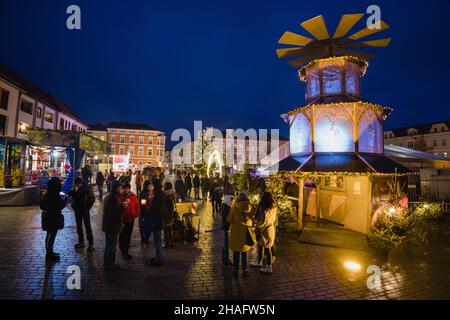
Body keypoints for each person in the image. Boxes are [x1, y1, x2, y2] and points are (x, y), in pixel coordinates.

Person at [227, 192, 254, 278]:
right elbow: (253, 219)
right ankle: (245, 270)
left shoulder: (235, 208)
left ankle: (235, 270)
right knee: (244, 253)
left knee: (236, 253)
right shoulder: (251, 207)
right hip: (246, 233)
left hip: (236, 234)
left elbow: (229, 219)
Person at [40, 177, 67, 262]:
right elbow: (60, 206)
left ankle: (49, 252)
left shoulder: (46, 195)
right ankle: (49, 255)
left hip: (47, 218)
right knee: (51, 236)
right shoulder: (55, 196)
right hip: (54, 218)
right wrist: (65, 199)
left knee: (48, 235)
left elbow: (41, 206)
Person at [251, 192, 278, 274]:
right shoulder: (274, 207)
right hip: (271, 228)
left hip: (264, 230)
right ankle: (265, 265)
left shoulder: (263, 208)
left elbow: (262, 221)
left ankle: (266, 266)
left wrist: (255, 223)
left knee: (263, 247)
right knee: (267, 247)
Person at [102, 180, 125, 270]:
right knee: (111, 245)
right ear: (116, 188)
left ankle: (107, 263)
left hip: (109, 225)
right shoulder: (113, 197)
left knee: (109, 244)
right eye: (120, 188)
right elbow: (114, 212)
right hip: (112, 225)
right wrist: (123, 206)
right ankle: (110, 264)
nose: (122, 190)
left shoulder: (112, 196)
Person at [68, 177, 95, 251]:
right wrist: (72, 190)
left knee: (87, 226)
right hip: (77, 210)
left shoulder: (86, 189)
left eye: (77, 184)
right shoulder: (76, 189)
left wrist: (88, 207)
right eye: (76, 184)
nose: (76, 186)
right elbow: (69, 194)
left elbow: (92, 199)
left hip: (85, 210)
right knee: (79, 226)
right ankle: (81, 242)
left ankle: (91, 243)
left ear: (80, 183)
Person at [146, 179, 165, 266]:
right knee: (157, 240)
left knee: (158, 241)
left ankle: (159, 259)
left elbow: (155, 209)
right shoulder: (159, 194)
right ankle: (158, 257)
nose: (152, 187)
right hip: (158, 220)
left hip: (157, 220)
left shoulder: (157, 195)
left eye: (153, 185)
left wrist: (150, 202)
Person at [119, 182, 140, 259]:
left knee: (128, 235)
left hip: (131, 219)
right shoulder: (120, 196)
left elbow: (137, 206)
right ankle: (122, 249)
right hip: (123, 220)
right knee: (122, 235)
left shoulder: (133, 196)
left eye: (127, 188)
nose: (126, 190)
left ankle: (126, 251)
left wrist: (135, 214)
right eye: (124, 188)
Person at [220, 195, 234, 268]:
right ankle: (225, 262)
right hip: (227, 228)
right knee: (226, 246)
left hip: (227, 228)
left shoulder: (225, 207)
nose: (232, 201)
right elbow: (228, 219)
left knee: (226, 245)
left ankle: (226, 260)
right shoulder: (226, 208)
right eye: (231, 200)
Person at [163, 182, 177, 248]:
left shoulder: (166, 194)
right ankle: (171, 243)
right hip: (171, 212)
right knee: (170, 228)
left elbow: (164, 205)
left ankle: (167, 243)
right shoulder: (173, 193)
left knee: (166, 229)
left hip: (166, 213)